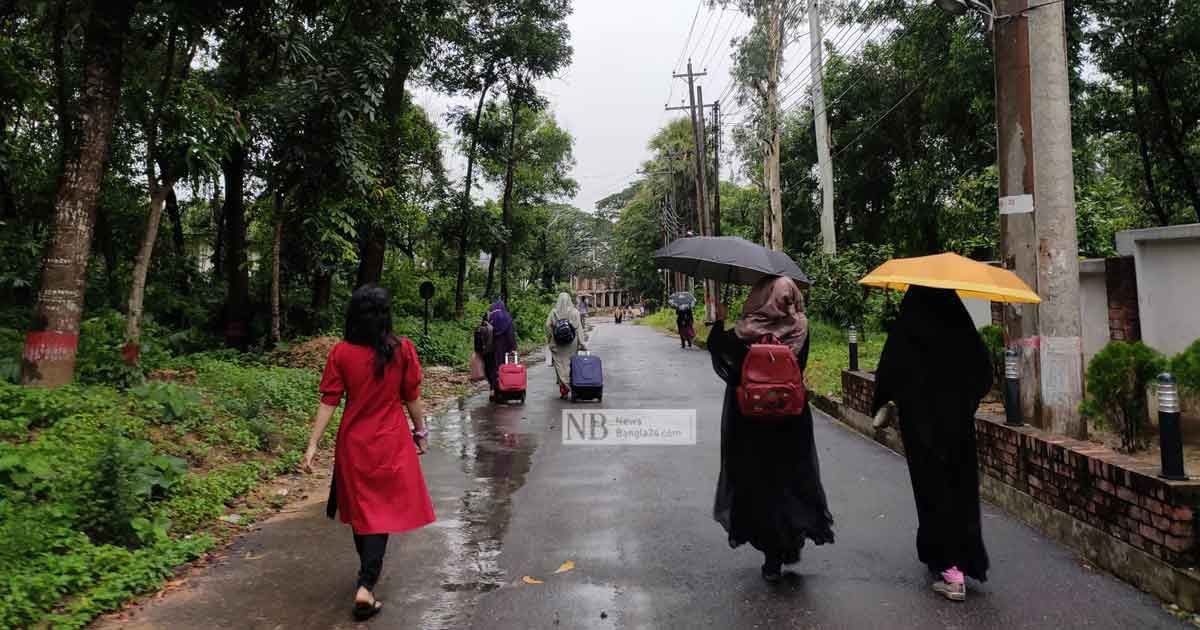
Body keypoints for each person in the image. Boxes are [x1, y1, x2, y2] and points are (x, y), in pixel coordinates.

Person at [302, 285, 436, 621]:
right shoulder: (402, 349)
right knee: (382, 513)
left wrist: (313, 443)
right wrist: (420, 433)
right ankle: (366, 584)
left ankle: (366, 577)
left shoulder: (341, 353)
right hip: (391, 442)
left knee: (364, 512)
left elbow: (329, 400)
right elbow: (412, 397)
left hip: (354, 445)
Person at [707, 276, 835, 582]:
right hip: (791, 418)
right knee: (790, 479)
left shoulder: (746, 330)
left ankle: (771, 556)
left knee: (758, 482)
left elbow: (721, 356)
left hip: (751, 420)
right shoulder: (801, 328)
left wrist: (720, 321)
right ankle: (788, 543)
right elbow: (799, 367)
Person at [871, 286, 993, 602]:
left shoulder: (909, 325)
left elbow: (889, 370)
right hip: (957, 426)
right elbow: (984, 372)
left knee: (932, 492)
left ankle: (951, 572)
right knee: (960, 491)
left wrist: (887, 402)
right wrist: (966, 403)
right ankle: (954, 558)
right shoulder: (960, 327)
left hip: (921, 427)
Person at [546, 292, 585, 399]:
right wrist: (582, 343)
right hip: (571, 345)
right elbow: (579, 329)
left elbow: (547, 326)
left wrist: (550, 338)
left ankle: (564, 390)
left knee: (559, 366)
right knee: (570, 366)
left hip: (557, 344)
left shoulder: (554, 312)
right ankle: (572, 386)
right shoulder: (575, 312)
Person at [486, 300, 518, 401]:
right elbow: (510, 334)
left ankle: (492, 390)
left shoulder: (489, 317)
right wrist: (513, 347)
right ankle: (502, 390)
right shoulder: (507, 317)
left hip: (490, 348)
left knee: (492, 368)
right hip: (504, 348)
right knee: (502, 367)